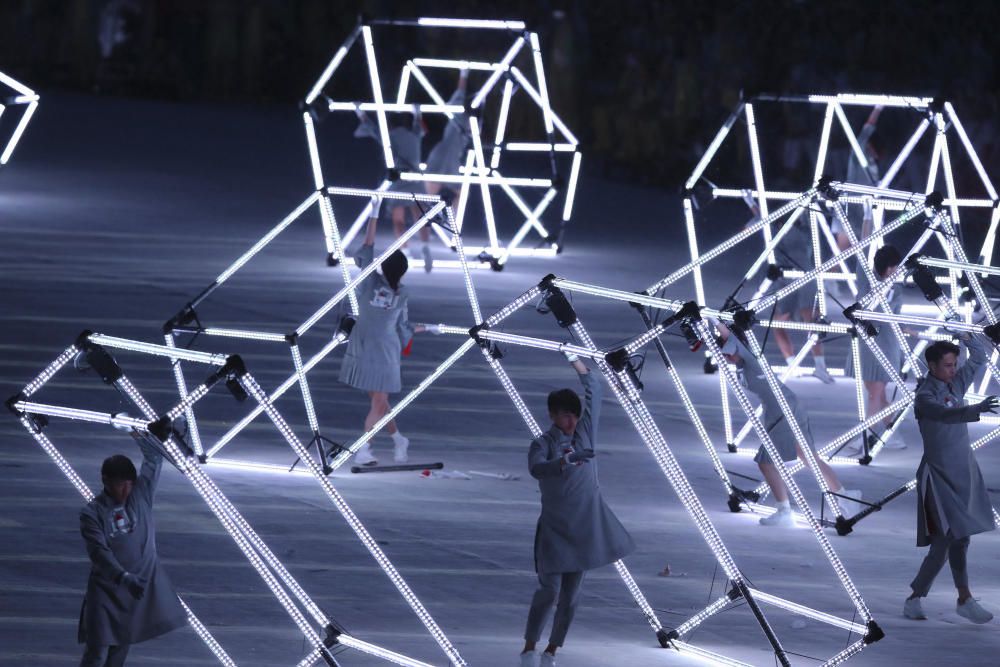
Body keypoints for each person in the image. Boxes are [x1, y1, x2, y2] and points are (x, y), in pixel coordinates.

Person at [519, 352, 635, 667]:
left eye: (573, 415)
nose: (570, 422)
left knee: (571, 598)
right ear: (552, 416)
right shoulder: (542, 443)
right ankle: (529, 648)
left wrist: (577, 363)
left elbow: (594, 389)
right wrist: (565, 461)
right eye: (563, 416)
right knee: (549, 591)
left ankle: (552, 651)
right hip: (556, 528)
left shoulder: (585, 433)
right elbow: (536, 469)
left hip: (584, 527)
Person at [719, 327, 861, 525]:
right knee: (808, 457)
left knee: (766, 462)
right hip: (787, 407)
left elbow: (729, 336)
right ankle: (846, 498)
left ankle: (784, 511)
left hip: (783, 410)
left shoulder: (749, 356)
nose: (726, 355)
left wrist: (711, 319)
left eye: (727, 350)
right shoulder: (743, 364)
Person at [903, 335, 998, 623]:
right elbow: (944, 415)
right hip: (938, 477)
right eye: (947, 365)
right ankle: (916, 597)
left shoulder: (955, 383)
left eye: (954, 364)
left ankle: (964, 597)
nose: (953, 370)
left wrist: (970, 339)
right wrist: (974, 410)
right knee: (943, 543)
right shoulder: (924, 396)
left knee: (962, 539)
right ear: (931, 365)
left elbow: (979, 359)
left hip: (963, 472)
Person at [341, 198, 437, 466]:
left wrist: (373, 214)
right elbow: (404, 328)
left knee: (379, 401)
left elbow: (368, 247)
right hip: (373, 347)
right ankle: (398, 440)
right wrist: (427, 328)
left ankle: (364, 448)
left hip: (376, 349)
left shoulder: (372, 283)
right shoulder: (395, 290)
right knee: (379, 401)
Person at [78, 433, 187, 666]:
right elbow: (99, 553)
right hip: (106, 592)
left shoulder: (141, 496)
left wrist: (140, 433)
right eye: (120, 485)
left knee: (119, 652)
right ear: (105, 481)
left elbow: (153, 460)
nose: (126, 491)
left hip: (134, 592)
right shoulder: (92, 513)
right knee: (97, 653)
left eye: (130, 484)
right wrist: (123, 577)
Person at [742, 191, 834, 384]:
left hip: (788, 277)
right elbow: (759, 219)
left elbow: (752, 225)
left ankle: (795, 365)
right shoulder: (803, 226)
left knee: (781, 323)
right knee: (811, 321)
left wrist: (750, 203)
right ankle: (819, 366)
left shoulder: (776, 227)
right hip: (804, 276)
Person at [845, 202, 907, 453]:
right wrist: (867, 219)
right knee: (876, 394)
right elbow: (862, 247)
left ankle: (865, 437)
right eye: (895, 266)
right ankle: (892, 434)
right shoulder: (866, 279)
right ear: (887, 266)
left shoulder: (898, 290)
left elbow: (892, 317)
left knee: (876, 393)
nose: (898, 271)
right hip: (867, 341)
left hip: (887, 343)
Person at [354, 105, 434, 271]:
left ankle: (405, 252)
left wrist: (359, 111)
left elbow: (371, 128)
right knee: (421, 217)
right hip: (415, 178)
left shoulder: (389, 137)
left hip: (398, 178)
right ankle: (426, 246)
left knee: (398, 220)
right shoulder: (414, 135)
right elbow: (421, 126)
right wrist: (417, 111)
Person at [834, 105, 882, 251]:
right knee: (840, 256)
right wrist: (879, 108)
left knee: (867, 257)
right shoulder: (859, 153)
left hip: (865, 214)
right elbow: (867, 128)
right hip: (849, 210)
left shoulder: (875, 164)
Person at [424, 68, 471, 219]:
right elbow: (460, 90)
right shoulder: (459, 111)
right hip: (445, 155)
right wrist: (464, 73)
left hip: (449, 157)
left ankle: (447, 221)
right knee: (433, 194)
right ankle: (435, 219)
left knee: (456, 192)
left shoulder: (470, 119)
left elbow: (461, 91)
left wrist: (464, 74)